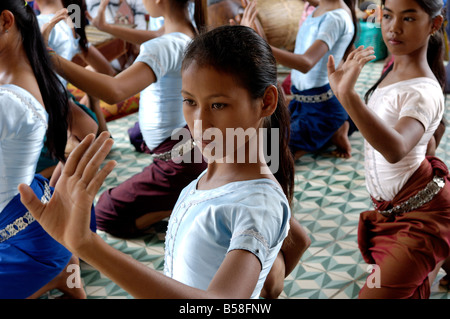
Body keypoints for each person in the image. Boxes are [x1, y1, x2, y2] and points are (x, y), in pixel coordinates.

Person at [19, 25, 310, 299]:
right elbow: (297, 238)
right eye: (190, 101)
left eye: (218, 105)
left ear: (267, 102)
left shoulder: (258, 203)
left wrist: (87, 245)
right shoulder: (217, 174)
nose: (200, 123)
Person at [44, 0, 209, 238]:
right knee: (135, 135)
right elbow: (154, 36)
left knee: (106, 213)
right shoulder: (189, 30)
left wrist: (49, 56)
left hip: (179, 161)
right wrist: (105, 26)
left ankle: (184, 201)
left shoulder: (166, 43)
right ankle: (188, 185)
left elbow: (115, 91)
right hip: (190, 142)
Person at [327, 0, 450, 298]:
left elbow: (395, 149)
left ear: (434, 24)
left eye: (408, 18)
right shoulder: (393, 68)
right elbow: (429, 137)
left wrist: (348, 96)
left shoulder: (424, 91)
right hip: (397, 206)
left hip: (421, 215)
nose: (393, 27)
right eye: (387, 16)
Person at [0, 0, 85, 299]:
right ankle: (63, 267)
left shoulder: (8, 101)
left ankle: (54, 270)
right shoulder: (29, 76)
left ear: (5, 22)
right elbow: (88, 129)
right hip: (39, 218)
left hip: (25, 238)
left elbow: (89, 134)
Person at [241, 0, 358, 160]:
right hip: (301, 102)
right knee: (262, 134)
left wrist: (255, 43)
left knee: (269, 153)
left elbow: (306, 63)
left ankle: (335, 127)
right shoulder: (319, 8)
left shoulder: (336, 18)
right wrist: (253, 25)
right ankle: (334, 131)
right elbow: (263, 43)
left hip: (321, 108)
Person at [35, 0, 116, 184]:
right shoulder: (71, 24)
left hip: (50, 115)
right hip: (63, 108)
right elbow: (108, 72)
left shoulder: (40, 25)